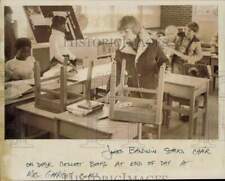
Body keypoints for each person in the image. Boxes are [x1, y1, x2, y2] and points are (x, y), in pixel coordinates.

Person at [115, 16, 169, 98]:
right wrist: (111, 91)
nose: (123, 35)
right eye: (121, 32)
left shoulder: (152, 44)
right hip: (133, 92)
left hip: (152, 91)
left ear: (135, 30)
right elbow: (116, 72)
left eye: (126, 31)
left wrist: (161, 72)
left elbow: (164, 61)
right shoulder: (121, 50)